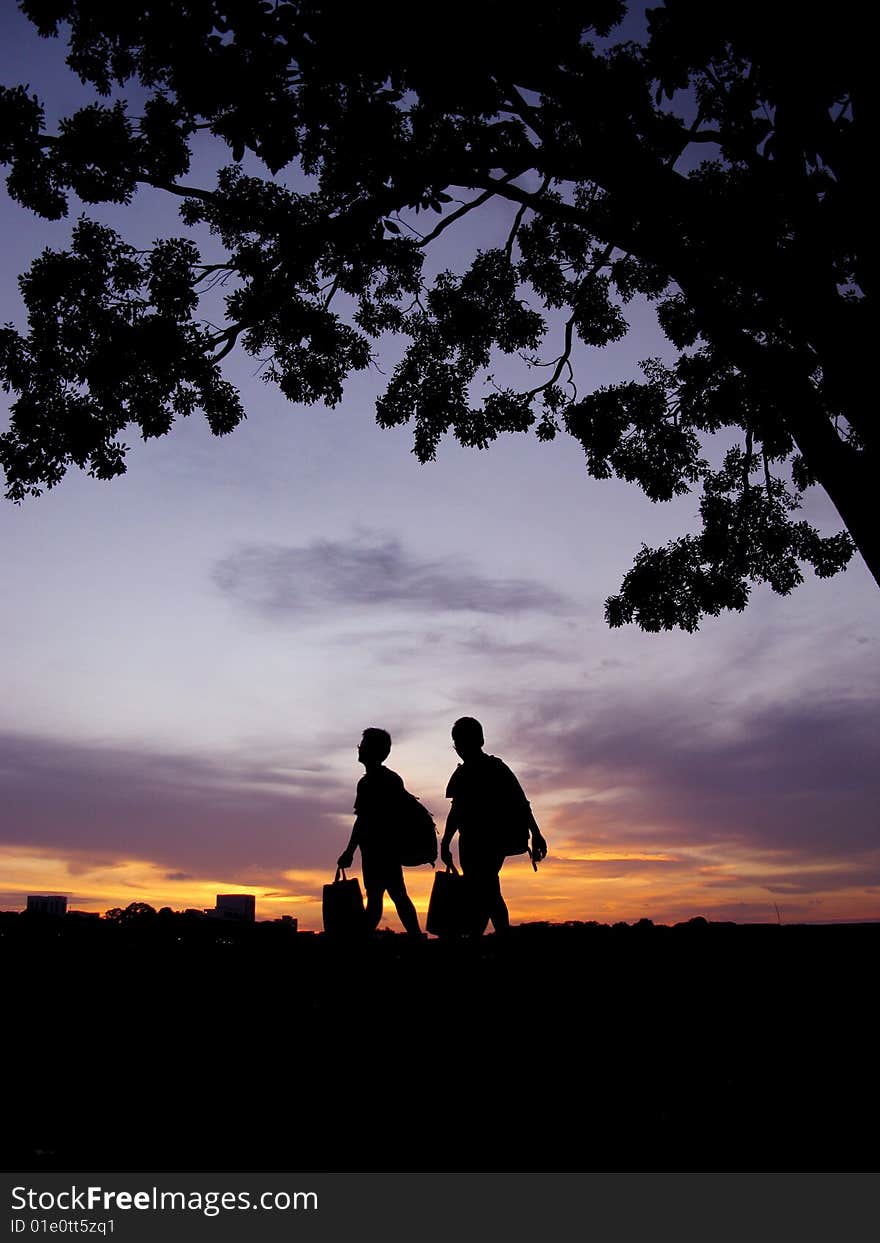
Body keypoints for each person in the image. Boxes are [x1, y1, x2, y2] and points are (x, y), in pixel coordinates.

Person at [440, 716, 547, 936]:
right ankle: (490, 936)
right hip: (475, 842)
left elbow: (521, 803)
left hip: (486, 843)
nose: (460, 747)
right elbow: (457, 811)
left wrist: (536, 834)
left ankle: (487, 936)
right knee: (486, 891)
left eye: (460, 742)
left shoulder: (490, 768)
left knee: (484, 890)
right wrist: (445, 841)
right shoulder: (480, 770)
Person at [337, 727, 422, 937]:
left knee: (381, 900)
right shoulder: (391, 779)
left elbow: (363, 821)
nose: (359, 749)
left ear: (372, 751)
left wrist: (349, 851)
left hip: (378, 851)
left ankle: (412, 939)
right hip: (386, 850)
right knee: (393, 897)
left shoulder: (368, 783)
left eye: (363, 745)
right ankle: (416, 938)